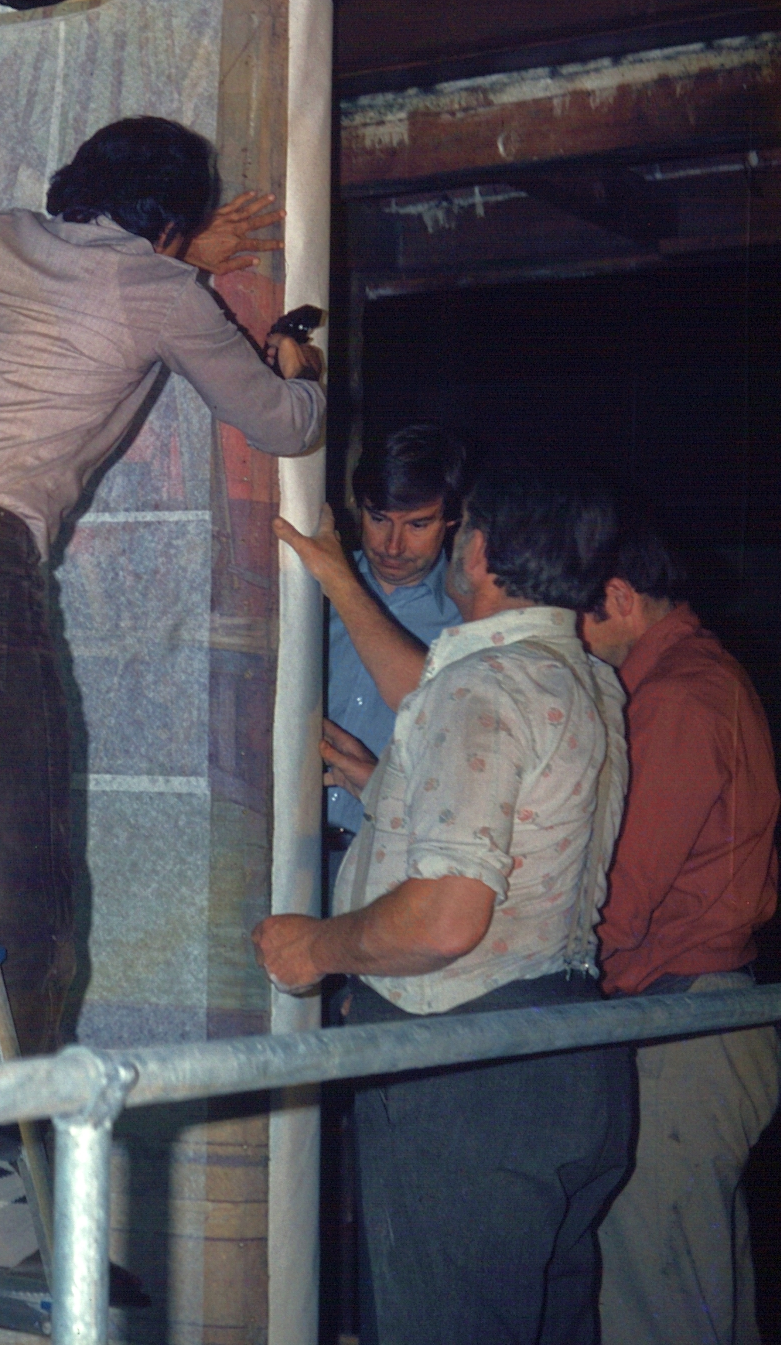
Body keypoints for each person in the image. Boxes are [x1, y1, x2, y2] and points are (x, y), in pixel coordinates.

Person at [0, 115, 325, 1270]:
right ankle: (7, 1214)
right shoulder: (161, 290)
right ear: (166, 225)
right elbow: (279, 420)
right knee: (22, 896)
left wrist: (180, 259)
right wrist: (294, 364)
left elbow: (87, 280)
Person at [255, 465, 632, 1345]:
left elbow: (444, 921)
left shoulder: (486, 687)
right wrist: (339, 580)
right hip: (570, 1058)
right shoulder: (576, 675)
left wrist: (316, 948)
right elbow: (437, 700)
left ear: (482, 549)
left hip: (468, 1075)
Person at [583, 514, 779, 1345]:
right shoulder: (699, 679)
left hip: (680, 1030)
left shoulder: (676, 698)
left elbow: (619, 900)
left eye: (574, 616)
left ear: (620, 597)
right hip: (703, 1022)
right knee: (700, 1297)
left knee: (653, 1302)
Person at [323, 426, 468, 870]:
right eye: (379, 518)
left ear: (451, 520)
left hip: (388, 860)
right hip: (286, 849)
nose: (392, 545)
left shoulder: (469, 623)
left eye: (417, 524)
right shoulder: (312, 590)